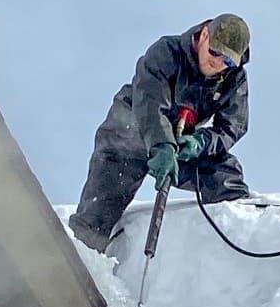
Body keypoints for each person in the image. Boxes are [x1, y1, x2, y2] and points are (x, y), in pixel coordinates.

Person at [69, 14, 251, 253]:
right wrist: (161, 145)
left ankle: (237, 239)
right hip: (127, 141)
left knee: (224, 174)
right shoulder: (166, 52)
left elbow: (233, 126)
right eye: (215, 52)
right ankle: (74, 269)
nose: (218, 63)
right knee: (93, 221)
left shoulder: (233, 78)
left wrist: (201, 142)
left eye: (227, 60)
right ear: (204, 35)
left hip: (178, 147)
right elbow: (150, 103)